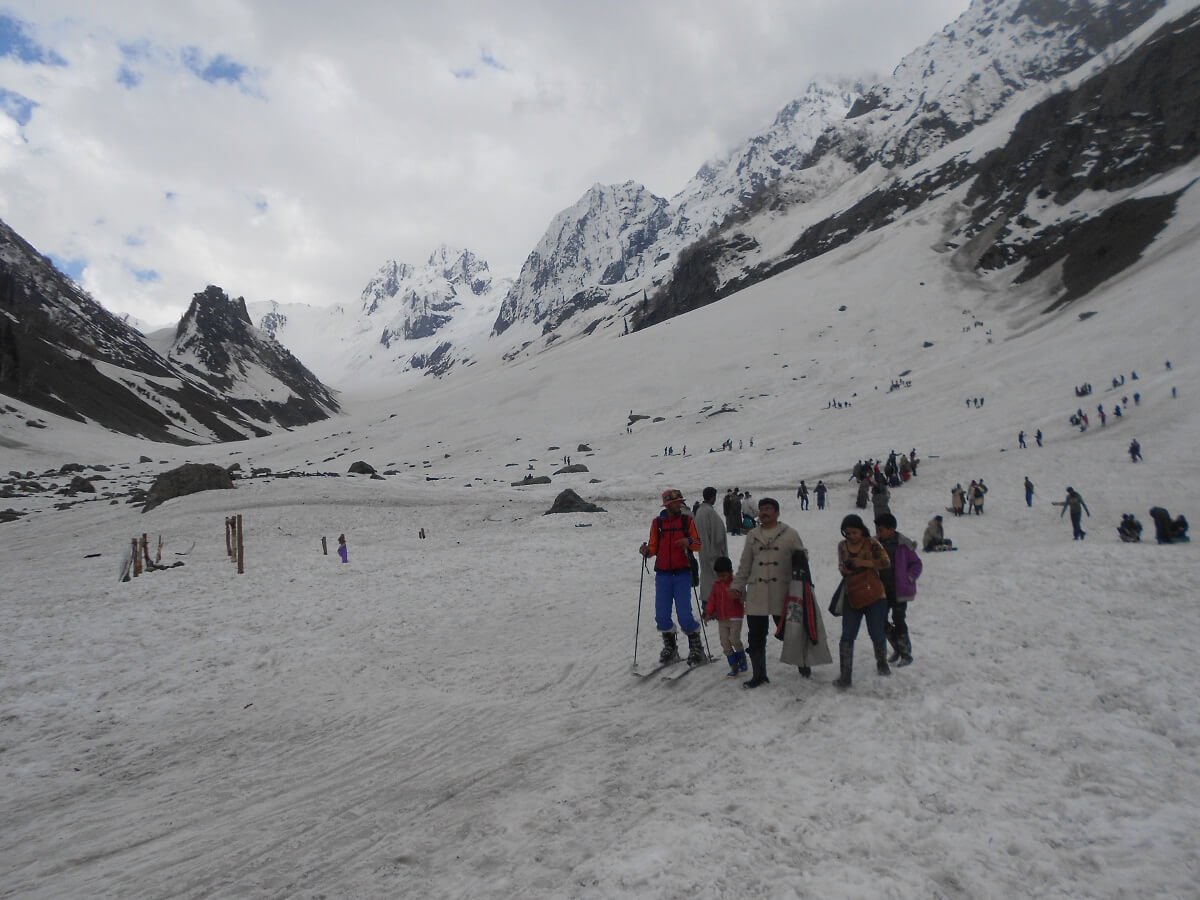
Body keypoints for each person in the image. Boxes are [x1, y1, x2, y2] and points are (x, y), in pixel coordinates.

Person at [729, 497, 806, 689]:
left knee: (790, 631)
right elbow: (745, 564)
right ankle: (759, 675)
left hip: (784, 593)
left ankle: (803, 662)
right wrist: (737, 586)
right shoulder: (752, 535)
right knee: (755, 635)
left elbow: (802, 563)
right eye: (762, 509)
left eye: (769, 509)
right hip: (757, 593)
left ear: (777, 512)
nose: (764, 512)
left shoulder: (790, 534)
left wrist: (803, 587)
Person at [640, 489, 705, 664]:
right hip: (663, 575)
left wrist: (688, 542)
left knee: (684, 615)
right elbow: (653, 547)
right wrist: (646, 551)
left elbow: (698, 544)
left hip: (682, 573)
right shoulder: (657, 523)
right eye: (676, 502)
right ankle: (671, 647)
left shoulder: (687, 521)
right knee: (661, 616)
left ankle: (696, 648)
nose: (680, 504)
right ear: (668, 505)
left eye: (680, 502)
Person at [833, 514, 892, 688]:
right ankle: (845, 675)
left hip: (875, 595)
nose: (851, 536)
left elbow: (886, 562)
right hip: (852, 594)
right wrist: (845, 569)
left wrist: (863, 563)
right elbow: (841, 566)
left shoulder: (872, 543)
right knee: (847, 635)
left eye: (854, 532)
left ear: (861, 530)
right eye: (848, 533)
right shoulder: (842, 546)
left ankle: (882, 663)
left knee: (876, 632)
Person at [876, 513, 922, 667]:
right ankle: (897, 647)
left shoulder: (903, 544)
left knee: (898, 619)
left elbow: (917, 564)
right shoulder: (875, 544)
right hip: (881, 591)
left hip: (900, 590)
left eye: (881, 530)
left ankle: (906, 653)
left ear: (891, 529)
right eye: (878, 529)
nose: (879, 532)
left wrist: (909, 577)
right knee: (880, 620)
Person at [702, 556, 746, 677]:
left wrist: (738, 595)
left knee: (734, 639)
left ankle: (741, 658)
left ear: (730, 572)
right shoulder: (716, 585)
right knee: (724, 642)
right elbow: (712, 600)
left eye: (724, 575)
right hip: (722, 618)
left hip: (735, 617)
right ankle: (733, 665)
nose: (721, 578)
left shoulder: (736, 583)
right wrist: (708, 613)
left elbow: (743, 595)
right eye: (719, 575)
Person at [694, 487, 728, 606]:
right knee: (714, 579)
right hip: (714, 553)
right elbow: (718, 537)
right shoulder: (709, 512)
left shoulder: (700, 512)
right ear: (713, 497)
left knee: (707, 578)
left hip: (704, 552)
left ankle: (707, 603)